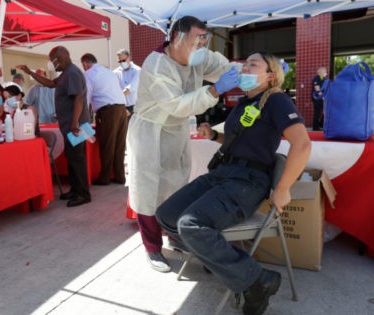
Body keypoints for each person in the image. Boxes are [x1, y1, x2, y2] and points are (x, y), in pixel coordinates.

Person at [156, 52, 311, 314]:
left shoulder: (277, 101)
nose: (244, 67)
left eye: (253, 64)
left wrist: (283, 188)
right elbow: (237, 143)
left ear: (270, 75)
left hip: (249, 181)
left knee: (190, 224)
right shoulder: (242, 103)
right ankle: (221, 261)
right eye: (244, 63)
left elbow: (303, 144)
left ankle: (257, 281)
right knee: (166, 214)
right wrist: (214, 135)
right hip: (224, 172)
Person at [127, 15, 240, 273]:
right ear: (177, 38)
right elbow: (178, 104)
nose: (202, 48)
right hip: (150, 129)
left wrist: (256, 71)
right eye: (196, 42)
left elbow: (225, 67)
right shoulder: (156, 65)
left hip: (175, 129)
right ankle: (152, 247)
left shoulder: (198, 55)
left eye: (204, 41)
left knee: (176, 183)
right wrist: (214, 90)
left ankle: (175, 236)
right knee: (148, 188)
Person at [17, 46, 91, 207]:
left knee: (77, 159)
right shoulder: (65, 74)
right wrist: (30, 72)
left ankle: (83, 194)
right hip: (71, 125)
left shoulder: (72, 73)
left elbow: (78, 99)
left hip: (76, 125)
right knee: (72, 158)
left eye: (52, 60)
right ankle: (75, 189)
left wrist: (74, 123)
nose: (51, 64)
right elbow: (50, 83)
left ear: (60, 58)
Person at [81, 53, 128, 186]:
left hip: (107, 111)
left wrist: (83, 118)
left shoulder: (89, 74)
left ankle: (105, 177)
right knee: (119, 145)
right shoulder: (109, 72)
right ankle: (120, 176)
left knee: (107, 144)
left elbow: (86, 98)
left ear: (85, 63)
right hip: (121, 108)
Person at [113, 49, 141, 118]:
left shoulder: (137, 71)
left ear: (129, 58)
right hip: (121, 107)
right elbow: (113, 89)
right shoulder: (116, 72)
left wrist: (118, 98)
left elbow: (130, 88)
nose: (122, 63)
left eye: (123, 60)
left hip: (135, 107)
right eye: (119, 61)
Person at [311, 67, 327, 131]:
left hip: (321, 98)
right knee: (317, 112)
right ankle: (315, 127)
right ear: (320, 72)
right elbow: (317, 89)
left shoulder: (323, 79)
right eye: (324, 71)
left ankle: (321, 125)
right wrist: (322, 97)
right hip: (317, 98)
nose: (325, 73)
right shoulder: (316, 78)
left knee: (324, 111)